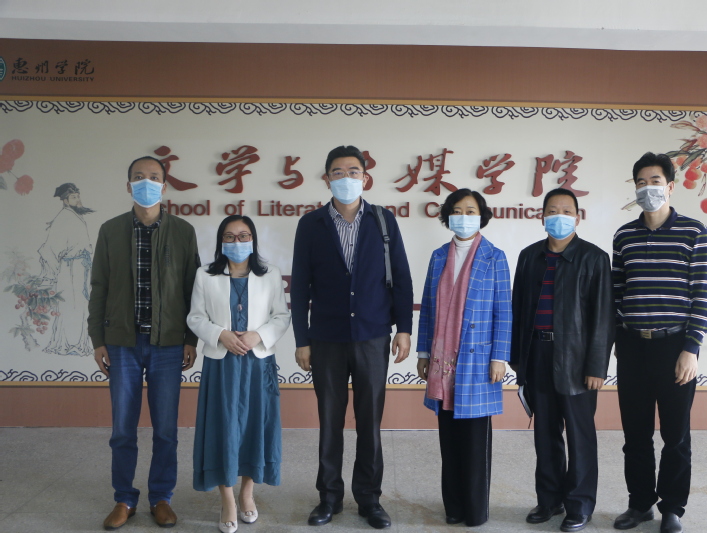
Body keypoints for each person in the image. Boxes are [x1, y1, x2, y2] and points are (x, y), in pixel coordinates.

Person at [290, 145, 414, 530]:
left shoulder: (383, 220)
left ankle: (369, 499)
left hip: (372, 336)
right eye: (338, 172)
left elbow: (401, 277)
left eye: (353, 171)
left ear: (365, 177)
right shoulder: (311, 224)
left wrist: (404, 329)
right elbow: (300, 287)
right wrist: (302, 340)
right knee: (330, 421)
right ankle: (329, 497)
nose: (346, 178)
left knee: (369, 422)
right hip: (326, 338)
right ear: (326, 179)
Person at [88, 156, 200, 530]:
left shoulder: (183, 231)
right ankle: (124, 498)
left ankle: (161, 498)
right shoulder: (110, 230)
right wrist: (98, 339)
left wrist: (190, 339)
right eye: (139, 177)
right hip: (122, 343)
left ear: (164, 186)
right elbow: (99, 287)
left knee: (165, 428)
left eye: (153, 177)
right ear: (128, 186)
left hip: (168, 344)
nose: (146, 183)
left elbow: (193, 289)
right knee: (123, 428)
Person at [612, 152, 707, 533]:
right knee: (635, 435)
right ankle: (640, 504)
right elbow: (617, 293)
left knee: (675, 436)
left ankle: (672, 508)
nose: (647, 189)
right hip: (632, 348)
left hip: (675, 349)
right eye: (640, 183)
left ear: (670, 186)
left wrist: (691, 348)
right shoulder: (624, 236)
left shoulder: (694, 232)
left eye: (654, 182)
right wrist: (618, 343)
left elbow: (705, 295)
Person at [510, 188, 614, 533]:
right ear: (542, 217)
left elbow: (603, 318)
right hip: (537, 355)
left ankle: (579, 505)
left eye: (566, 211)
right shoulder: (529, 257)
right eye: (552, 210)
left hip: (577, 360)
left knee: (580, 436)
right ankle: (549, 499)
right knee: (545, 432)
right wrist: (517, 358)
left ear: (577, 218)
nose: (559, 216)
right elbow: (518, 309)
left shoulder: (594, 258)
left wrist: (597, 366)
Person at [188, 215, 291, 533]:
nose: (237, 242)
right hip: (222, 363)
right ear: (221, 241)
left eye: (244, 236)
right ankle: (227, 500)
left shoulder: (270, 274)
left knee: (255, 427)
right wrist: (220, 334)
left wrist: (258, 335)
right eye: (230, 236)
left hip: (258, 363)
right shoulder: (205, 275)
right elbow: (195, 317)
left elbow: (281, 316)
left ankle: (247, 493)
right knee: (222, 427)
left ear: (253, 239)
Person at [415, 188, 511, 527]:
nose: (464, 217)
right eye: (457, 210)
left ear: (481, 216)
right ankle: (453, 507)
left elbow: (504, 310)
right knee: (449, 439)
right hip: (442, 362)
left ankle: (475, 511)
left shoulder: (494, 257)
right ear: (447, 216)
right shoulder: (439, 256)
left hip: (478, 361)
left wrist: (499, 357)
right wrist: (423, 352)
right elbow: (428, 307)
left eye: (471, 211)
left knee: (474, 440)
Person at [39, 182, 95, 356]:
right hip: (69, 267)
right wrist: (54, 270)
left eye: (78, 196)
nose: (77, 200)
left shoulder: (74, 216)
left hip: (80, 266)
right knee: (69, 304)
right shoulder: (64, 217)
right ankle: (66, 344)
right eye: (73, 197)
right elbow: (50, 248)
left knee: (81, 304)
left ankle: (78, 344)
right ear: (65, 200)